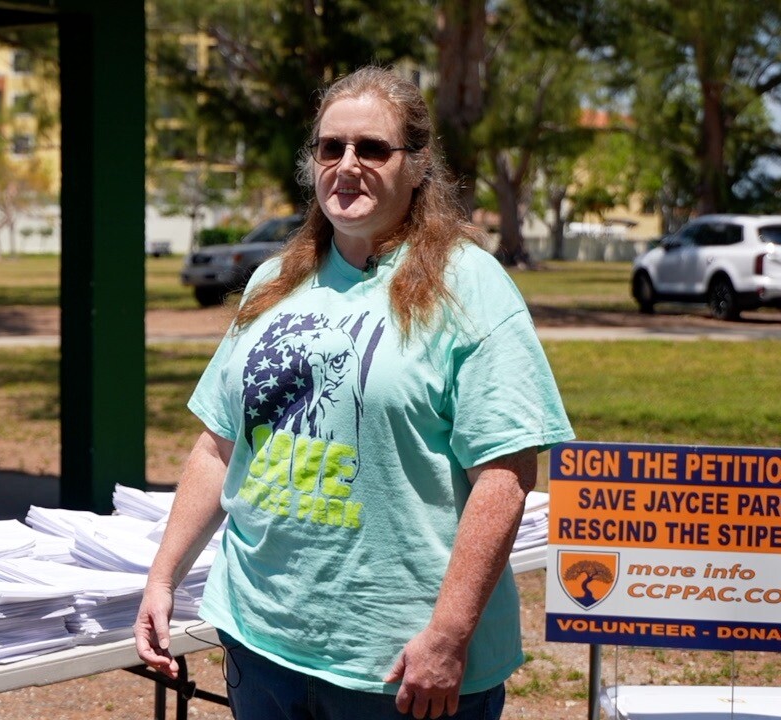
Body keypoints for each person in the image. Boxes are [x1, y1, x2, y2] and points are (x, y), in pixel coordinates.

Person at [134, 66, 575, 720]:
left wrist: (447, 637)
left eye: (372, 148)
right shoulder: (274, 281)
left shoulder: (471, 287)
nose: (347, 165)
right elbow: (218, 445)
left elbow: (505, 476)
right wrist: (163, 576)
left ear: (417, 165)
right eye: (330, 147)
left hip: (400, 668)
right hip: (260, 643)